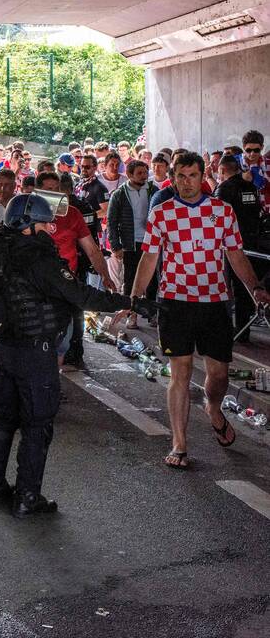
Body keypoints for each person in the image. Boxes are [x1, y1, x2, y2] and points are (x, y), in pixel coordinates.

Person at [0, 194, 150, 516]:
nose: (47, 229)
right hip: (35, 351)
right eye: (43, 223)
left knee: (3, 418)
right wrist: (129, 302)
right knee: (37, 424)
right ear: (28, 225)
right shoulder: (39, 257)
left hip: (6, 348)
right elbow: (80, 294)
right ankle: (28, 497)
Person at [130, 152, 270, 470]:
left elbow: (235, 255)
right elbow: (149, 258)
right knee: (179, 373)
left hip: (215, 302)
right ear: (173, 176)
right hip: (174, 302)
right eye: (181, 176)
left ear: (203, 175)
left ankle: (214, 408)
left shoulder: (222, 211)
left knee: (218, 375)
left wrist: (255, 289)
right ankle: (179, 443)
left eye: (193, 175)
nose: (186, 182)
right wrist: (135, 296)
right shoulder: (161, 212)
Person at [214, 154, 262, 343]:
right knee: (246, 287)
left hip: (230, 243)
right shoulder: (250, 187)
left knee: (228, 286)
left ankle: (230, 328)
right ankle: (244, 328)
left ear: (222, 170)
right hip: (251, 241)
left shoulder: (224, 189)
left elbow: (215, 217)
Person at [106, 160, 156, 327]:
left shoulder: (153, 191)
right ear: (129, 174)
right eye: (139, 173)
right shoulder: (119, 194)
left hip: (151, 241)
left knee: (152, 280)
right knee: (130, 279)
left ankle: (152, 313)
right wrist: (116, 245)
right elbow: (111, 222)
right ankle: (131, 313)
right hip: (130, 244)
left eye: (145, 172)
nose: (144, 176)